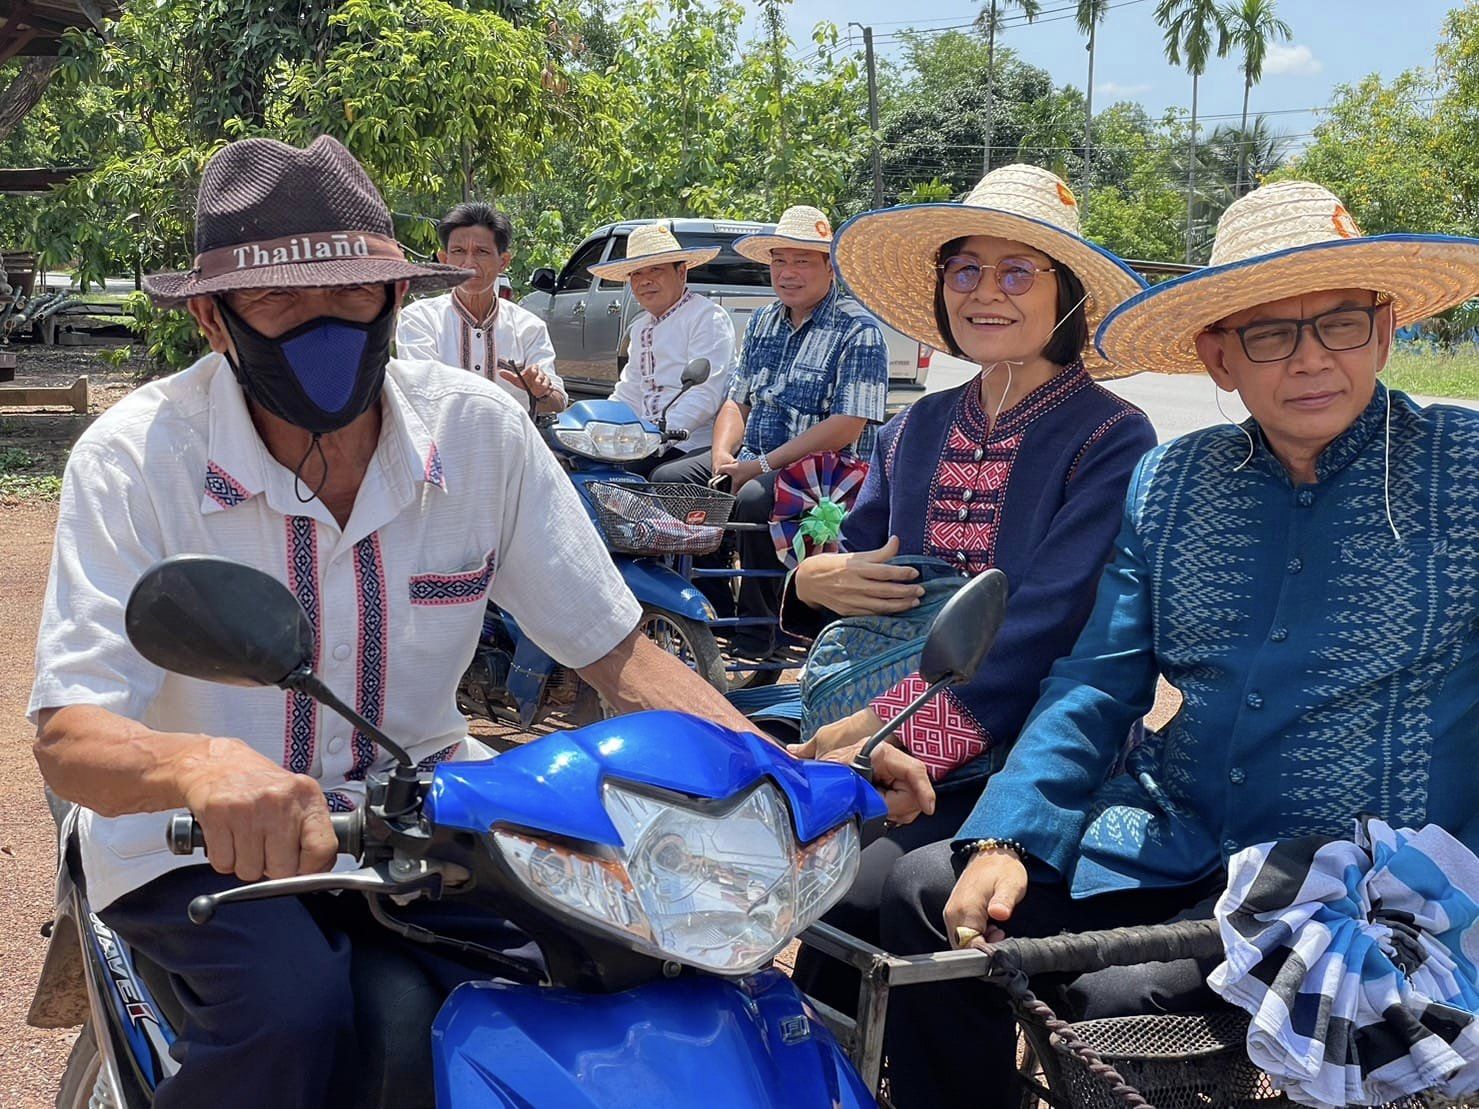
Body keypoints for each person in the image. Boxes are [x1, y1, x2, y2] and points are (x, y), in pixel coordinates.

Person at [26, 136, 931, 1108]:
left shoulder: (479, 433)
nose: (327, 324)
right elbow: (69, 733)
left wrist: (782, 766)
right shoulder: (136, 457)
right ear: (212, 318)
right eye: (284, 303)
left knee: (634, 975)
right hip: (195, 850)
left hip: (438, 823)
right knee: (298, 1020)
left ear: (392, 298)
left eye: (353, 295)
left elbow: (618, 655)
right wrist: (206, 771)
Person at [876, 180, 1479, 1107]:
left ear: (1387, 327)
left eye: (1341, 325)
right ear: (1217, 356)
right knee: (927, 890)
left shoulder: (1465, 470)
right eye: (1271, 333)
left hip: (1345, 880)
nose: (1311, 360)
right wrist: (1007, 831)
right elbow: (1095, 680)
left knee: (1119, 997)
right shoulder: (1175, 480)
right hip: (1169, 832)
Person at [781, 164, 1155, 1014]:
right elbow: (848, 547)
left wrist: (889, 723)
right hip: (892, 723)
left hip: (1033, 742)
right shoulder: (914, 426)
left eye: (1017, 271)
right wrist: (812, 576)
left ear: (1066, 294)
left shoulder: (1109, 435)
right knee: (802, 860)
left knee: (875, 884)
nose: (987, 292)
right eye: (965, 270)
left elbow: (1045, 624)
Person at [651, 204, 890, 659]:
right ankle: (710, 609)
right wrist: (723, 454)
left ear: (829, 266)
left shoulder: (858, 330)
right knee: (672, 480)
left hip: (828, 473)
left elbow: (846, 425)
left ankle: (765, 631)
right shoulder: (763, 323)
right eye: (780, 260)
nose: (788, 272)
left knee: (756, 496)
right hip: (756, 457)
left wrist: (758, 466)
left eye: (802, 261)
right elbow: (737, 400)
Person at [588, 222, 735, 475]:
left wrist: (654, 438)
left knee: (635, 475)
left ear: (682, 273)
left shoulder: (707, 317)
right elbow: (630, 391)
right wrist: (598, 423)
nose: (645, 281)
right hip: (646, 440)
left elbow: (704, 396)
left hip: (692, 443)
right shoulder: (641, 326)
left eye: (656, 270)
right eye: (636, 273)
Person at [396, 200, 568, 413]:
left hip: (512, 444)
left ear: (503, 261)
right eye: (458, 251)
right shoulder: (420, 320)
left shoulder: (528, 327)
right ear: (443, 259)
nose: (469, 262)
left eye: (482, 252)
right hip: (443, 446)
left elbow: (558, 403)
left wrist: (541, 391)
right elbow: (419, 392)